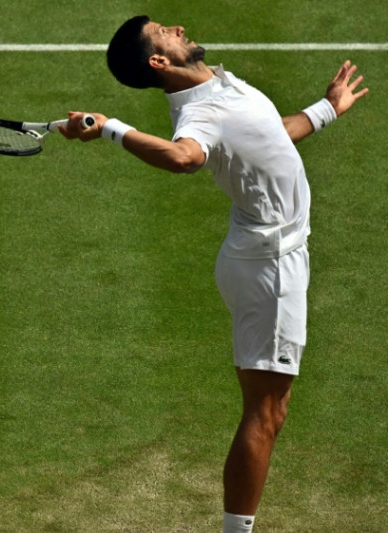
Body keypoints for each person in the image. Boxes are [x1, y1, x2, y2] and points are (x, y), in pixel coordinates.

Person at [58, 15, 369, 533]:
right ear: (159, 61)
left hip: (274, 253)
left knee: (271, 405)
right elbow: (184, 158)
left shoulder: (221, 83)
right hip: (269, 269)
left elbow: (272, 137)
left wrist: (327, 109)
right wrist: (112, 128)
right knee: (266, 413)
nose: (178, 27)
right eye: (164, 32)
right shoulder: (199, 115)